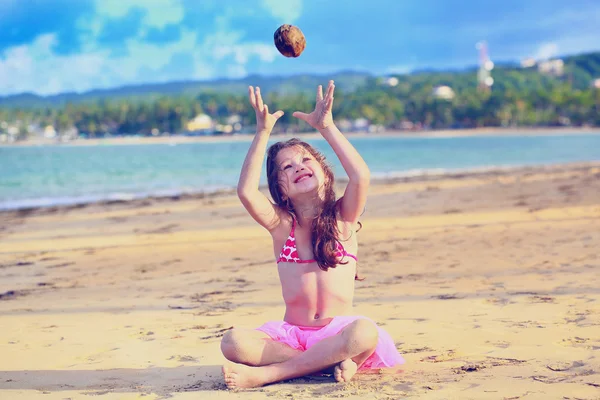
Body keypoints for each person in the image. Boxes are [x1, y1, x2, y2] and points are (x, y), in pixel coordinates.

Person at [221, 80, 405, 389]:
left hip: (337, 334)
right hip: (290, 336)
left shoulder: (343, 218)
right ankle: (324, 364)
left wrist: (327, 127)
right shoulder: (283, 227)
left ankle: (273, 374)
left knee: (364, 332)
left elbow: (361, 176)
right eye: (286, 168)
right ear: (280, 189)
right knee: (233, 342)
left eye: (306, 160)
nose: (297, 167)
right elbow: (246, 191)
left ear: (323, 171)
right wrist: (262, 132)